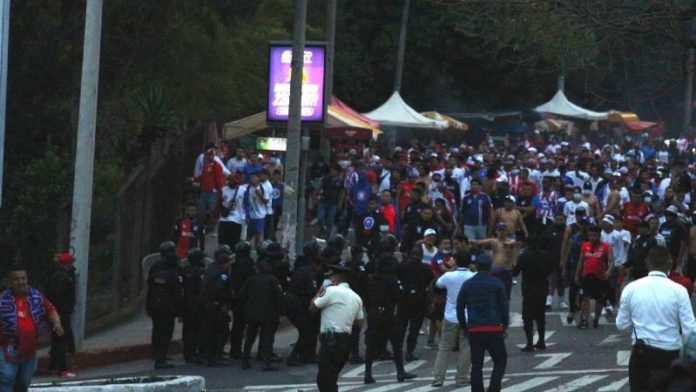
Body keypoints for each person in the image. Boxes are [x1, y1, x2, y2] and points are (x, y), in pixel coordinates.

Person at [617, 246, 696, 392]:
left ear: (647, 263)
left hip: (641, 353)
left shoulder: (631, 288)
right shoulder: (679, 291)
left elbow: (621, 325)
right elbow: (690, 330)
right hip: (669, 353)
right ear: (670, 264)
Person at [0, 264, 64, 392]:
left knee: (24, 381)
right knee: (7, 378)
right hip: (7, 347)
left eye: (23, 278)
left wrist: (57, 323)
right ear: (10, 281)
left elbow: (50, 310)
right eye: (16, 279)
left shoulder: (36, 296)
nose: (21, 282)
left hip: (30, 349)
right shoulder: (2, 299)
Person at [362, 246, 417, 384]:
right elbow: (399, 296)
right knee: (396, 344)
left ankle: (368, 373)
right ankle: (400, 372)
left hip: (374, 314)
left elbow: (366, 297)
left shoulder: (371, 279)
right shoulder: (392, 279)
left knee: (371, 345)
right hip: (388, 313)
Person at [457, 253, 508, 392]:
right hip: (493, 327)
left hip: (474, 328)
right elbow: (504, 306)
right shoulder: (497, 283)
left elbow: (460, 306)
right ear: (490, 266)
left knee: (476, 364)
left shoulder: (468, 284)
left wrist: (463, 327)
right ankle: (493, 388)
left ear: (476, 267)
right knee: (500, 360)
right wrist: (505, 325)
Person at [310, 264, 365, 392]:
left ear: (336, 278)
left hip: (331, 340)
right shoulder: (356, 297)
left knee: (325, 380)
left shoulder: (331, 291)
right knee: (331, 377)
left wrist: (321, 290)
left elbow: (312, 307)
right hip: (345, 341)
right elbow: (360, 322)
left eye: (330, 277)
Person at [432, 252, 475, 388]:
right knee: (466, 347)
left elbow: (437, 285)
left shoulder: (448, 276)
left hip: (450, 316)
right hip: (468, 317)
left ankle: (438, 378)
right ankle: (462, 377)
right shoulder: (473, 276)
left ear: (455, 261)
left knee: (444, 347)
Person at [238, 261, 283, 371]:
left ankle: (245, 360)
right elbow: (279, 296)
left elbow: (241, 295)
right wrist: (281, 311)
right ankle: (266, 362)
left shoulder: (251, 280)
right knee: (267, 337)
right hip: (269, 313)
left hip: (252, 312)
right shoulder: (272, 280)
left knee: (250, 337)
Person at [514, 236, 554, 351]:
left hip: (529, 289)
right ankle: (541, 340)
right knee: (540, 316)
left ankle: (529, 343)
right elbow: (550, 270)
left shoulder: (524, 256)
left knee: (527, 317)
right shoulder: (545, 256)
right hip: (542, 287)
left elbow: (516, 272)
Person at [396, 243, 432, 361]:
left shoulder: (402, 266)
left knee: (401, 326)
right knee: (414, 328)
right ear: (421, 255)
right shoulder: (425, 268)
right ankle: (410, 351)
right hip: (419, 300)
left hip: (404, 299)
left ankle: (398, 350)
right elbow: (430, 282)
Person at [201, 245, 235, 367]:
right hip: (216, 305)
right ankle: (216, 355)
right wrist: (223, 304)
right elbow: (219, 289)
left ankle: (209, 355)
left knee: (210, 331)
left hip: (208, 304)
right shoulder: (222, 274)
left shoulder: (211, 268)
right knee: (221, 331)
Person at [574, 225, 614, 329]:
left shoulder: (606, 247)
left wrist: (608, 271)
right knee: (584, 298)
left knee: (599, 299)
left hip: (600, 276)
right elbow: (581, 261)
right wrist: (577, 274)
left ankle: (596, 318)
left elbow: (611, 261)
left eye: (594, 235)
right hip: (586, 275)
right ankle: (584, 319)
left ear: (599, 235)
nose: (592, 238)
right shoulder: (585, 246)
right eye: (590, 235)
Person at [46, 253, 76, 377]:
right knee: (61, 340)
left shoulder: (57, 276)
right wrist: (59, 314)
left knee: (57, 340)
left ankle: (53, 366)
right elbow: (59, 296)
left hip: (59, 312)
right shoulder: (63, 278)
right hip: (61, 313)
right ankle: (62, 369)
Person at [228, 241, 255, 359]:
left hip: (236, 299)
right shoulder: (249, 265)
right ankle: (239, 351)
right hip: (246, 298)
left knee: (237, 325)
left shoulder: (234, 265)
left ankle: (235, 349)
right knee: (244, 325)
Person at [180, 248, 206, 364]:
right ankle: (192, 353)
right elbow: (202, 290)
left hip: (186, 304)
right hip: (196, 305)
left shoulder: (185, 271)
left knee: (187, 330)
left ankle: (187, 352)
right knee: (195, 330)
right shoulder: (199, 273)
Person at [218, 174, 246, 247]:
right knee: (222, 240)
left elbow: (246, 204)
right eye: (229, 181)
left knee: (234, 241)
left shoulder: (243, 190)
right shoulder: (223, 189)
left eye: (232, 181)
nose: (231, 183)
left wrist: (245, 216)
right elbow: (219, 203)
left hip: (237, 218)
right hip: (224, 218)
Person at [244, 172, 269, 245]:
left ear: (258, 178)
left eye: (254, 177)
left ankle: (257, 247)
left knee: (258, 233)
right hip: (250, 215)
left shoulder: (263, 188)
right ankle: (246, 247)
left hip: (260, 216)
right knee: (248, 234)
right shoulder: (247, 188)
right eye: (251, 177)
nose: (252, 179)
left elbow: (266, 201)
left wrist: (260, 195)